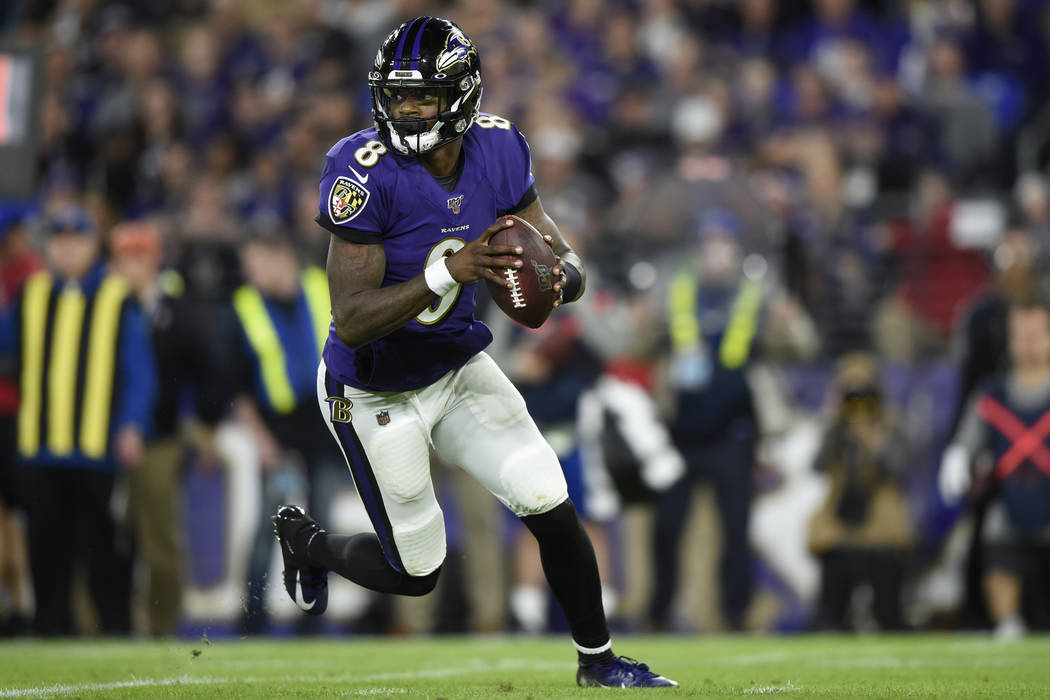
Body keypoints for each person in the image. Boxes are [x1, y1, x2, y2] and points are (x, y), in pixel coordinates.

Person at [272, 17, 675, 688]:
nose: (404, 111)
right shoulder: (361, 170)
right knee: (417, 572)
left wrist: (560, 278)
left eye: (420, 98)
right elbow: (350, 319)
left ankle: (598, 664)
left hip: (456, 366)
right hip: (375, 389)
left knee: (548, 496)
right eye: (395, 97)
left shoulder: (499, 148)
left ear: (459, 97)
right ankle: (309, 544)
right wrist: (448, 273)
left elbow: (557, 252)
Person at [14, 205, 156, 635]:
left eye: (77, 241)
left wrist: (132, 425)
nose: (69, 249)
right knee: (44, 544)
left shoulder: (116, 296)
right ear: (51, 247)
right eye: (60, 242)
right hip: (40, 445)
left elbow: (139, 372)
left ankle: (114, 625)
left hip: (96, 447)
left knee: (101, 545)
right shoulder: (31, 293)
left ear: (93, 246)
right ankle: (49, 625)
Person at [940, 302, 1050, 639]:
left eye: (1037, 335)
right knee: (996, 533)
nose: (1029, 343)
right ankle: (1007, 622)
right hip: (1012, 496)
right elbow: (968, 438)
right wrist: (957, 457)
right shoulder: (992, 395)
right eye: (1022, 336)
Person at [807, 353, 913, 631]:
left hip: (881, 531)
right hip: (840, 530)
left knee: (889, 616)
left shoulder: (892, 425)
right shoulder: (836, 429)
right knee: (829, 617)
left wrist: (875, 443)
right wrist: (833, 423)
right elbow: (816, 464)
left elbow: (900, 469)